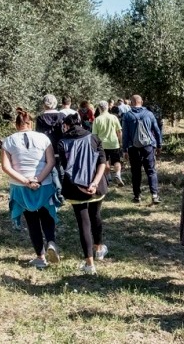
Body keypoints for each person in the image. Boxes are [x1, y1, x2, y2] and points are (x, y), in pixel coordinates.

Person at [1, 108, 60, 269]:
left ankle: (40, 258)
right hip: (44, 184)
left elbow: (6, 167)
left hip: (21, 187)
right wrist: (38, 180)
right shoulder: (43, 138)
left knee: (32, 221)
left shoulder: (8, 141)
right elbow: (51, 162)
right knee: (47, 216)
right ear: (31, 123)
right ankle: (51, 242)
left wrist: (26, 181)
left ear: (16, 124)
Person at [58, 113, 109, 275]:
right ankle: (99, 248)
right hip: (96, 186)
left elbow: (66, 168)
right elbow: (102, 163)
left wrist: (80, 186)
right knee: (96, 215)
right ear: (81, 123)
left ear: (66, 125)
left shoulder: (62, 142)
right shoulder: (93, 138)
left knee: (83, 224)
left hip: (75, 189)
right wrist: (94, 183)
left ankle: (89, 263)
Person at [121, 94, 163, 204]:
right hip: (148, 147)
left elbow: (125, 135)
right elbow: (157, 130)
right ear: (142, 102)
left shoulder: (127, 116)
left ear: (131, 102)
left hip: (133, 148)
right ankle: (154, 195)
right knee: (151, 171)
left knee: (135, 172)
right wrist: (159, 145)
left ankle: (137, 196)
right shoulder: (149, 114)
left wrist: (124, 149)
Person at [35, 94, 65, 205]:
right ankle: (62, 192)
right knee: (61, 169)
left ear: (44, 104)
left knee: (53, 171)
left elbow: (38, 134)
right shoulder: (62, 116)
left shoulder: (40, 118)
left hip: (46, 147)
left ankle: (58, 193)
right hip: (60, 146)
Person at [92, 100, 125, 186]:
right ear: (107, 107)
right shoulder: (114, 117)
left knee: (105, 162)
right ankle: (117, 174)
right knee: (117, 160)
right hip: (114, 143)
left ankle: (108, 178)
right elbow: (119, 131)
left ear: (99, 108)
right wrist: (121, 142)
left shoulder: (97, 119)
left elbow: (94, 135)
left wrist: (94, 146)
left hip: (102, 144)